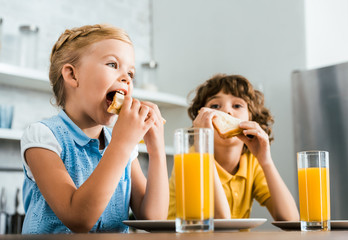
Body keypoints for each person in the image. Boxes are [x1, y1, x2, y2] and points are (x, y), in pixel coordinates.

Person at [20, 24, 169, 234]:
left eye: (131, 73)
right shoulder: (43, 137)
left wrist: (156, 150)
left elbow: (154, 219)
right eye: (112, 64)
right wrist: (122, 143)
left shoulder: (121, 144)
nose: (126, 78)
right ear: (72, 75)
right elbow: (78, 219)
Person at [168, 74, 299, 220]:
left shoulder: (252, 163)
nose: (227, 111)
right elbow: (220, 219)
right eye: (215, 106)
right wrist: (203, 145)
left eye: (237, 105)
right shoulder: (191, 159)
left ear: (251, 118)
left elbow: (291, 219)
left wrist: (266, 161)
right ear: (200, 119)